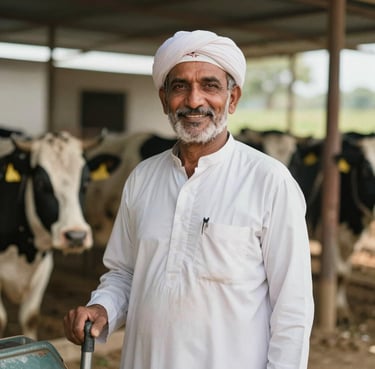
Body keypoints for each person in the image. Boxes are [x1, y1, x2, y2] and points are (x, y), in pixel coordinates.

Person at [63, 30, 314, 369]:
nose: (194, 101)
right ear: (164, 99)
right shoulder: (143, 177)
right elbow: (124, 272)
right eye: (180, 86)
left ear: (233, 98)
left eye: (210, 85)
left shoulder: (270, 181)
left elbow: (293, 308)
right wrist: (103, 306)